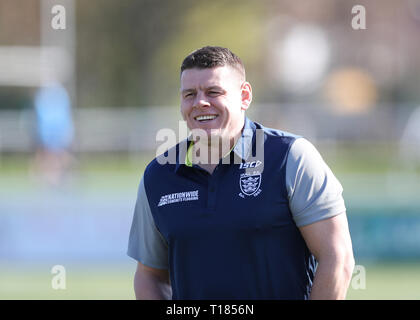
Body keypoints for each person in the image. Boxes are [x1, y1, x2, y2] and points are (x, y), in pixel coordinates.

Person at [127, 46, 355, 300]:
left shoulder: (291, 157)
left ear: (244, 96)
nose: (200, 102)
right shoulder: (158, 176)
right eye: (189, 94)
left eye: (214, 92)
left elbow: (337, 257)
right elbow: (149, 276)